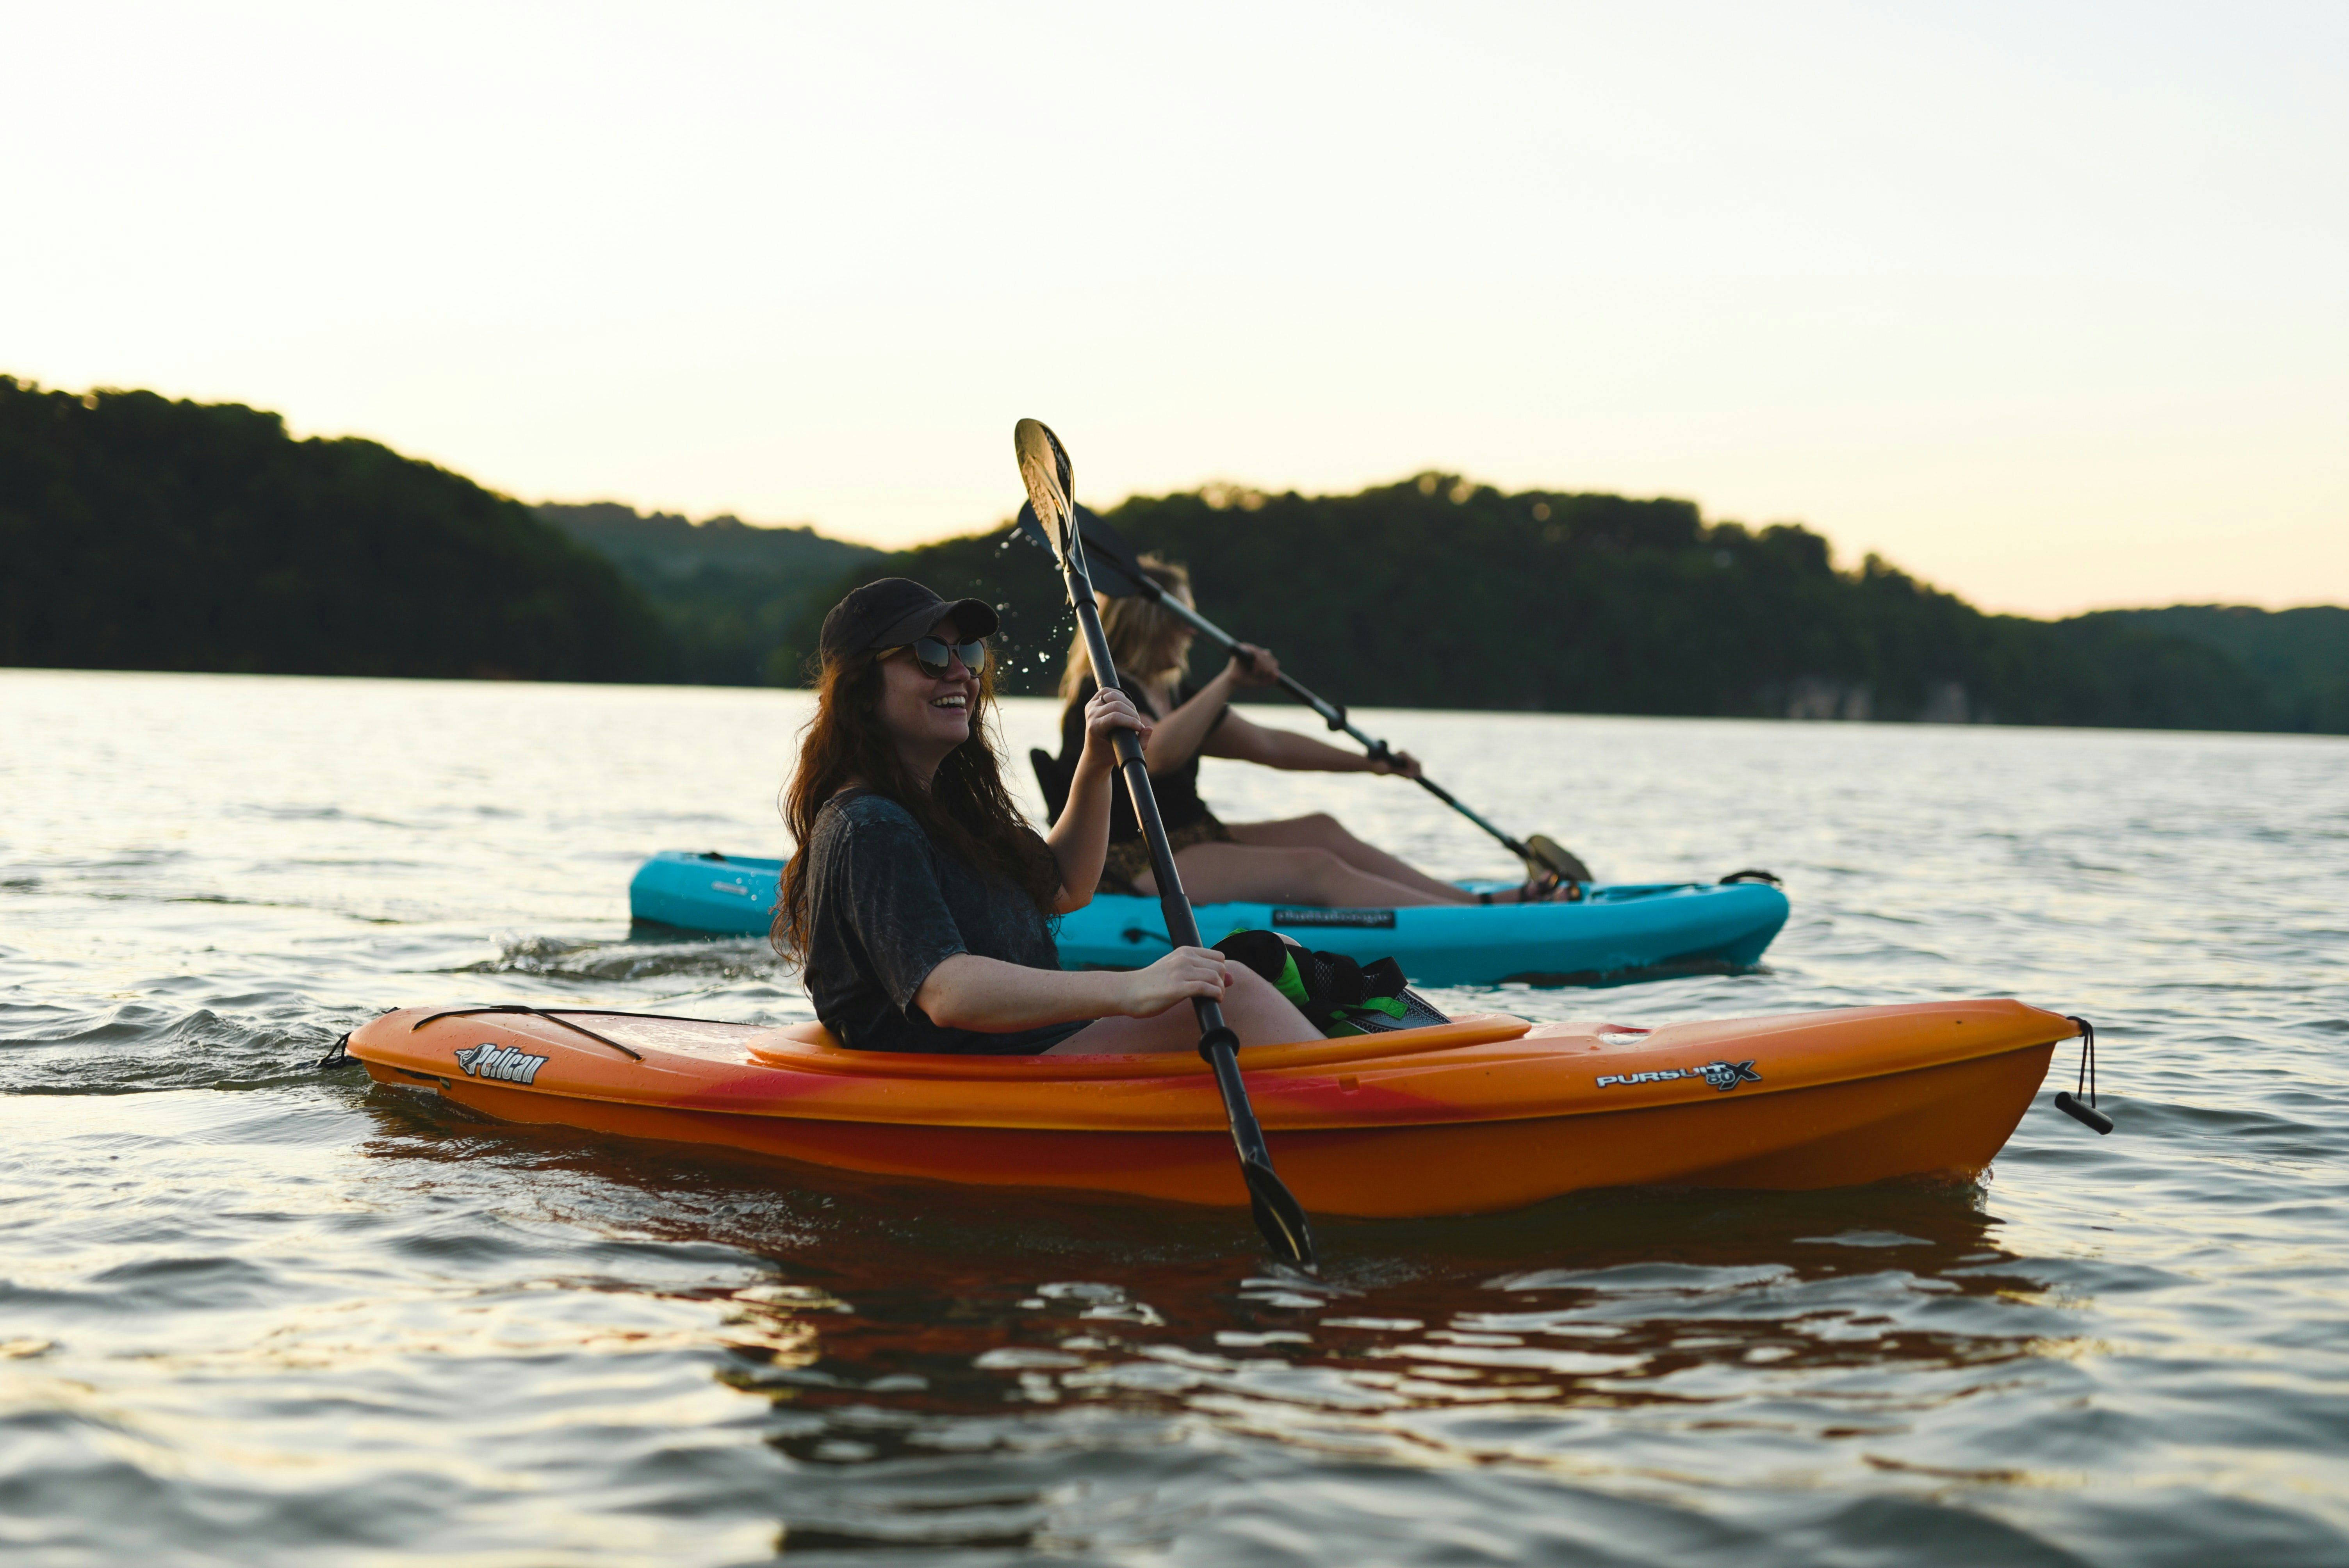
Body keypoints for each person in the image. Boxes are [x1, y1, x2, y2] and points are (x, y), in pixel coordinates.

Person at [771, 577, 1324, 1056]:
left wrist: (1095, 766)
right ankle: (1360, 1107)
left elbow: (1066, 886)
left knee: (1271, 957)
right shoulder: (871, 826)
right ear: (862, 692)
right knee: (1238, 994)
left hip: (1027, 1049)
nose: (961, 674)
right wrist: (1132, 988)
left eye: (969, 654)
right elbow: (948, 992)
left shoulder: (946, 810)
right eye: (930, 657)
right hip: (972, 1073)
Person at [1054, 556, 1558, 907]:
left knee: (1322, 829)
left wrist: (1371, 764)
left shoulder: (1178, 694)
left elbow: (1271, 745)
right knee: (1316, 867)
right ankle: (1474, 919)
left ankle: (1480, 905)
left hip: (1192, 837)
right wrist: (1229, 681)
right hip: (1132, 861)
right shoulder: (1102, 697)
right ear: (1147, 623)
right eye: (1181, 618)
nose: (1191, 630)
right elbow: (1156, 753)